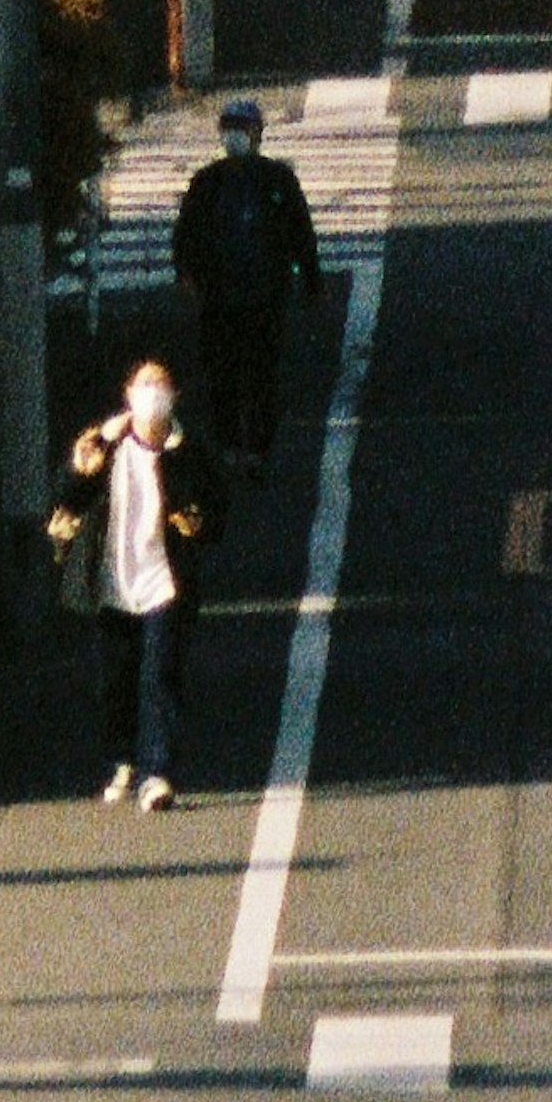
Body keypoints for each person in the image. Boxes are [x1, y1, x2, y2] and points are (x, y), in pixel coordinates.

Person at [52, 356, 219, 810]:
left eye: (161, 385)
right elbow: (68, 500)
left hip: (164, 580)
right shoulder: (105, 447)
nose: (152, 393)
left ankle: (156, 772)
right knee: (116, 681)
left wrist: (196, 522)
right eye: (144, 384)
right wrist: (79, 471)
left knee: (159, 676)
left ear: (174, 397)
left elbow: (215, 509)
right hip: (112, 580)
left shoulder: (189, 450)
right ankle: (122, 759)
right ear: (127, 394)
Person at [173, 93, 325, 467]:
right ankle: (228, 443)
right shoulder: (207, 182)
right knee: (222, 372)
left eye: (242, 129)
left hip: (265, 294)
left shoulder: (278, 179)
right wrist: (186, 273)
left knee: (261, 372)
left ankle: (256, 446)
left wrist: (310, 278)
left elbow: (299, 231)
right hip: (218, 295)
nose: (235, 136)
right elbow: (186, 234)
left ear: (258, 133)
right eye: (229, 129)